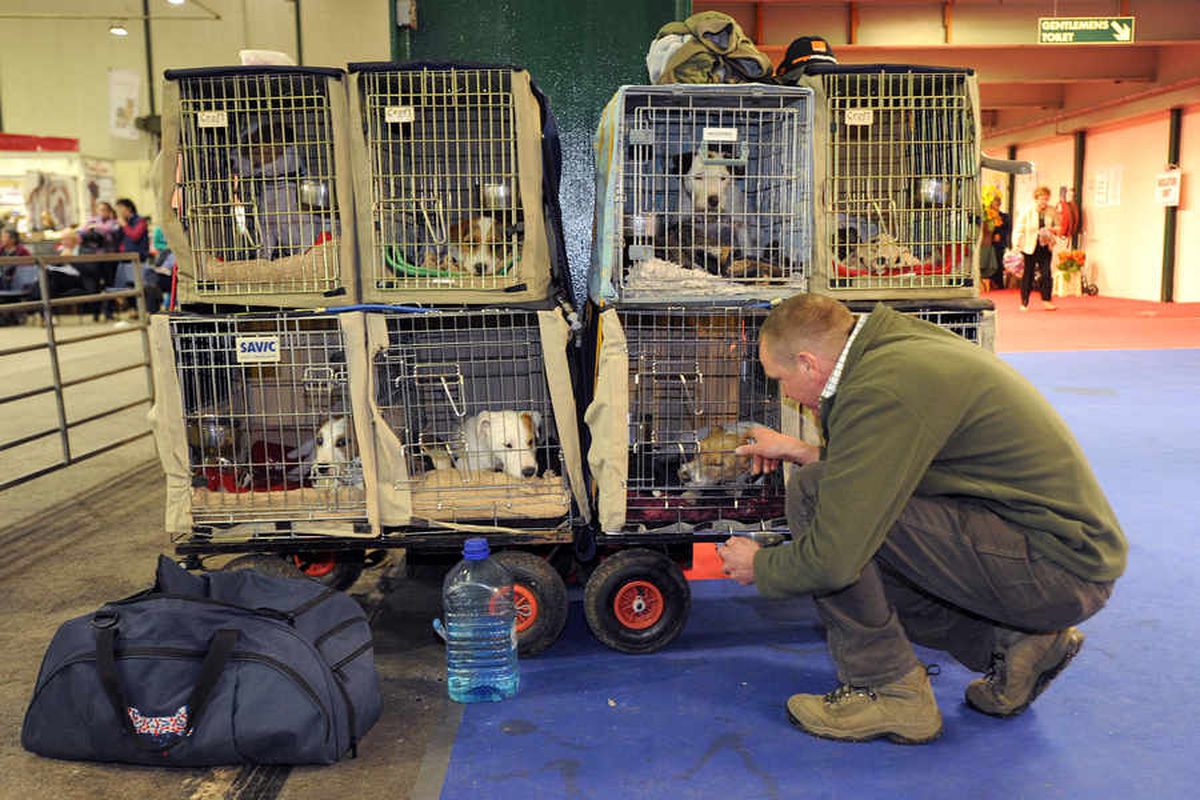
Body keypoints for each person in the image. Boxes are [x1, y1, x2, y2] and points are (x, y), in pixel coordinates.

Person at [718, 294, 1126, 744]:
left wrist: (760, 566)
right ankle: (1013, 645)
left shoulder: (881, 389)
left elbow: (832, 559)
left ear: (808, 363)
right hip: (1057, 554)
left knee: (816, 495)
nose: (785, 393)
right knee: (834, 488)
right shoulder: (893, 352)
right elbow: (899, 462)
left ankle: (888, 689)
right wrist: (800, 449)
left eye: (780, 379)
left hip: (1057, 571)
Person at [1013, 185, 1059, 311]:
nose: (1044, 201)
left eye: (1046, 199)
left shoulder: (1052, 211)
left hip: (1045, 246)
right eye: (1042, 199)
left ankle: (1047, 300)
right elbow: (1019, 228)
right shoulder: (1027, 211)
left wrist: (1052, 229)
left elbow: (1059, 227)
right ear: (1036, 199)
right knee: (1028, 273)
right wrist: (1016, 244)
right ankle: (1024, 301)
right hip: (1030, 247)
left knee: (1046, 274)